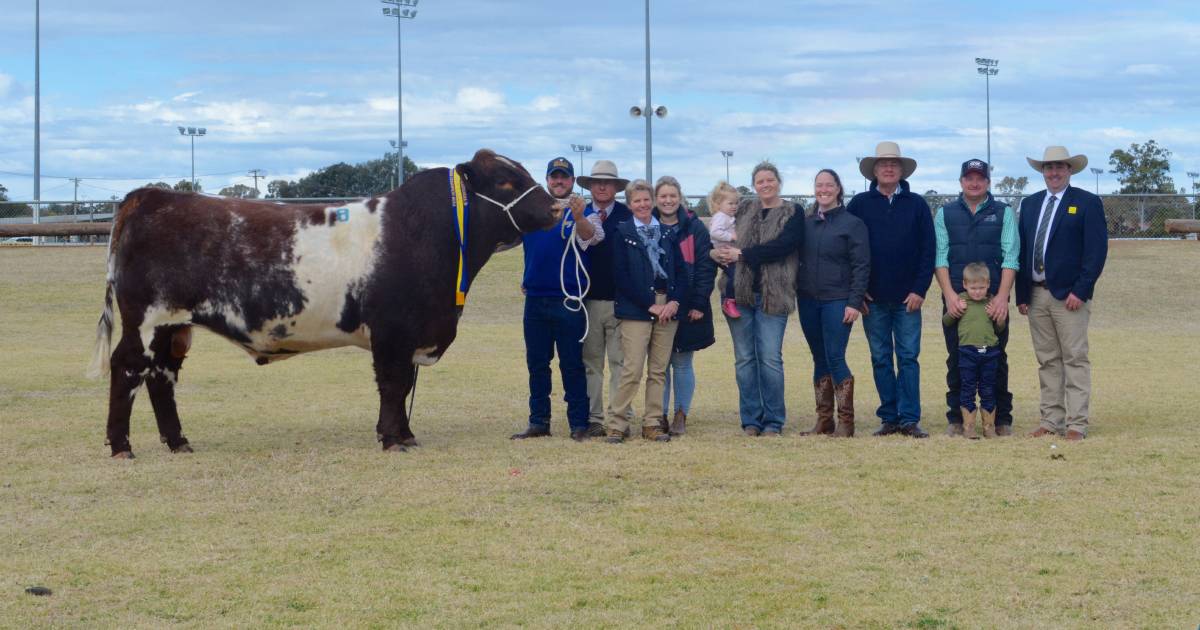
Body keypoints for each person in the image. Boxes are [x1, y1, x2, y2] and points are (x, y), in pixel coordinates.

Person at [1016, 146, 1108, 441]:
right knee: (1047, 360)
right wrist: (1022, 295)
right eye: (1048, 167)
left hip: (1069, 298)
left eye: (1059, 167)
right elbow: (1022, 250)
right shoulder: (1030, 205)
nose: (1053, 172)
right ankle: (1050, 420)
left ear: (1070, 170)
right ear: (1042, 172)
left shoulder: (1086, 203)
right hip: (1036, 294)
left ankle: (1077, 423)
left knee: (1074, 359)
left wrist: (1081, 290)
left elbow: (1096, 252)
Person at [511, 157, 606, 441]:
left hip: (569, 301)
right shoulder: (533, 213)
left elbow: (593, 237)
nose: (559, 181)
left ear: (573, 181)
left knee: (572, 364)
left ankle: (578, 423)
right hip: (536, 300)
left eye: (564, 177)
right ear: (547, 179)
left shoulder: (585, 211)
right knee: (537, 364)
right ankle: (539, 421)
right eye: (555, 177)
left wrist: (577, 217)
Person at [847, 141, 935, 439]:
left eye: (893, 164)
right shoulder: (859, 204)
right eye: (883, 164)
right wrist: (857, 293)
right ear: (874, 170)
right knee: (881, 358)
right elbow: (847, 248)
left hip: (908, 299)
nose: (888, 168)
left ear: (901, 170)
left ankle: (910, 418)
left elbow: (928, 250)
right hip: (873, 301)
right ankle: (889, 417)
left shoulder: (917, 204)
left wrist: (920, 289)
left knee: (908, 357)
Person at [711, 162, 802, 436]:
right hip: (739, 293)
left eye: (770, 179)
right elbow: (719, 233)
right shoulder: (745, 208)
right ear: (754, 185)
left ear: (778, 181)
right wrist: (714, 254)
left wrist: (744, 255)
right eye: (760, 181)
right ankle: (751, 419)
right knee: (745, 359)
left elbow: (784, 246)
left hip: (774, 295)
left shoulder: (792, 211)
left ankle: (773, 420)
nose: (765, 184)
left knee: (770, 358)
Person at [934, 159, 1020, 437]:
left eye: (979, 178)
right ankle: (958, 419)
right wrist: (948, 295)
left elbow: (1011, 257)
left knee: (997, 359)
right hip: (957, 302)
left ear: (987, 182)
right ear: (961, 181)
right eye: (969, 178)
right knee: (957, 359)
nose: (974, 183)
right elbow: (940, 257)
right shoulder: (945, 213)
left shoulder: (1003, 212)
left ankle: (1000, 419)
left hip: (992, 301)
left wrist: (1002, 297)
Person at [605, 179, 688, 443]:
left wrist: (674, 301)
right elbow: (620, 275)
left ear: (652, 201)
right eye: (636, 201)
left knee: (658, 370)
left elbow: (681, 273)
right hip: (636, 308)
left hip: (667, 307)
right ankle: (617, 423)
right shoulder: (622, 232)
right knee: (632, 368)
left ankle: (653, 422)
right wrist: (649, 304)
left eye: (645, 199)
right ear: (629, 205)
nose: (642, 204)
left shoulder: (667, 233)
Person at [654, 176, 716, 436]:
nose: (668, 200)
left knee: (681, 361)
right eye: (663, 196)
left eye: (672, 195)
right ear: (657, 199)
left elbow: (705, 266)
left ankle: (681, 413)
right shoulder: (649, 225)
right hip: (657, 304)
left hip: (689, 303)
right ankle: (660, 414)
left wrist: (699, 302)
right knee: (660, 364)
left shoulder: (694, 227)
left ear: (680, 197)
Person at [576, 160, 632, 434]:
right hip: (588, 302)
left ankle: (618, 420)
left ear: (615, 187)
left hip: (621, 302)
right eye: (597, 181)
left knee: (621, 364)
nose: (601, 186)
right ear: (589, 186)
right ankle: (595, 419)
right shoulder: (579, 214)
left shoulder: (628, 215)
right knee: (591, 363)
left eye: (607, 182)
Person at [942, 263, 1007, 439]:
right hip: (967, 353)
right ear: (964, 284)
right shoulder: (961, 301)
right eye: (973, 288)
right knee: (968, 388)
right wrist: (953, 311)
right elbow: (946, 322)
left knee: (988, 389)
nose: (977, 292)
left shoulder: (991, 303)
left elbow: (999, 330)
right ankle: (968, 427)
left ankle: (989, 427)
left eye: (981, 288)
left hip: (990, 353)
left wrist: (1000, 319)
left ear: (988, 284)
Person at [707, 182, 741, 318]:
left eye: (736, 203)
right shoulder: (720, 216)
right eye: (730, 203)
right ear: (718, 204)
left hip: (728, 250)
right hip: (722, 252)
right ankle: (729, 301)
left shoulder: (728, 217)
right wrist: (731, 236)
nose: (734, 206)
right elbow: (714, 232)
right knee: (735, 273)